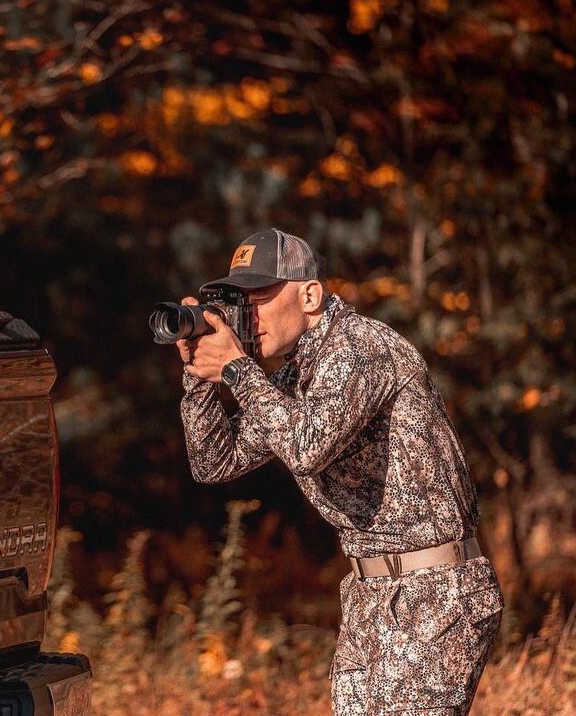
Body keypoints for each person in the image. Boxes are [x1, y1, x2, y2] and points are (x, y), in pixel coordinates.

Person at [177, 228, 502, 715]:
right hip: (370, 593)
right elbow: (214, 462)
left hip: (437, 592)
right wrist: (199, 377)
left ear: (310, 294)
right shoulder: (295, 373)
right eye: (240, 301)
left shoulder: (360, 347)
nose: (249, 315)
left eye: (261, 297)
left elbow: (306, 446)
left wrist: (238, 370)